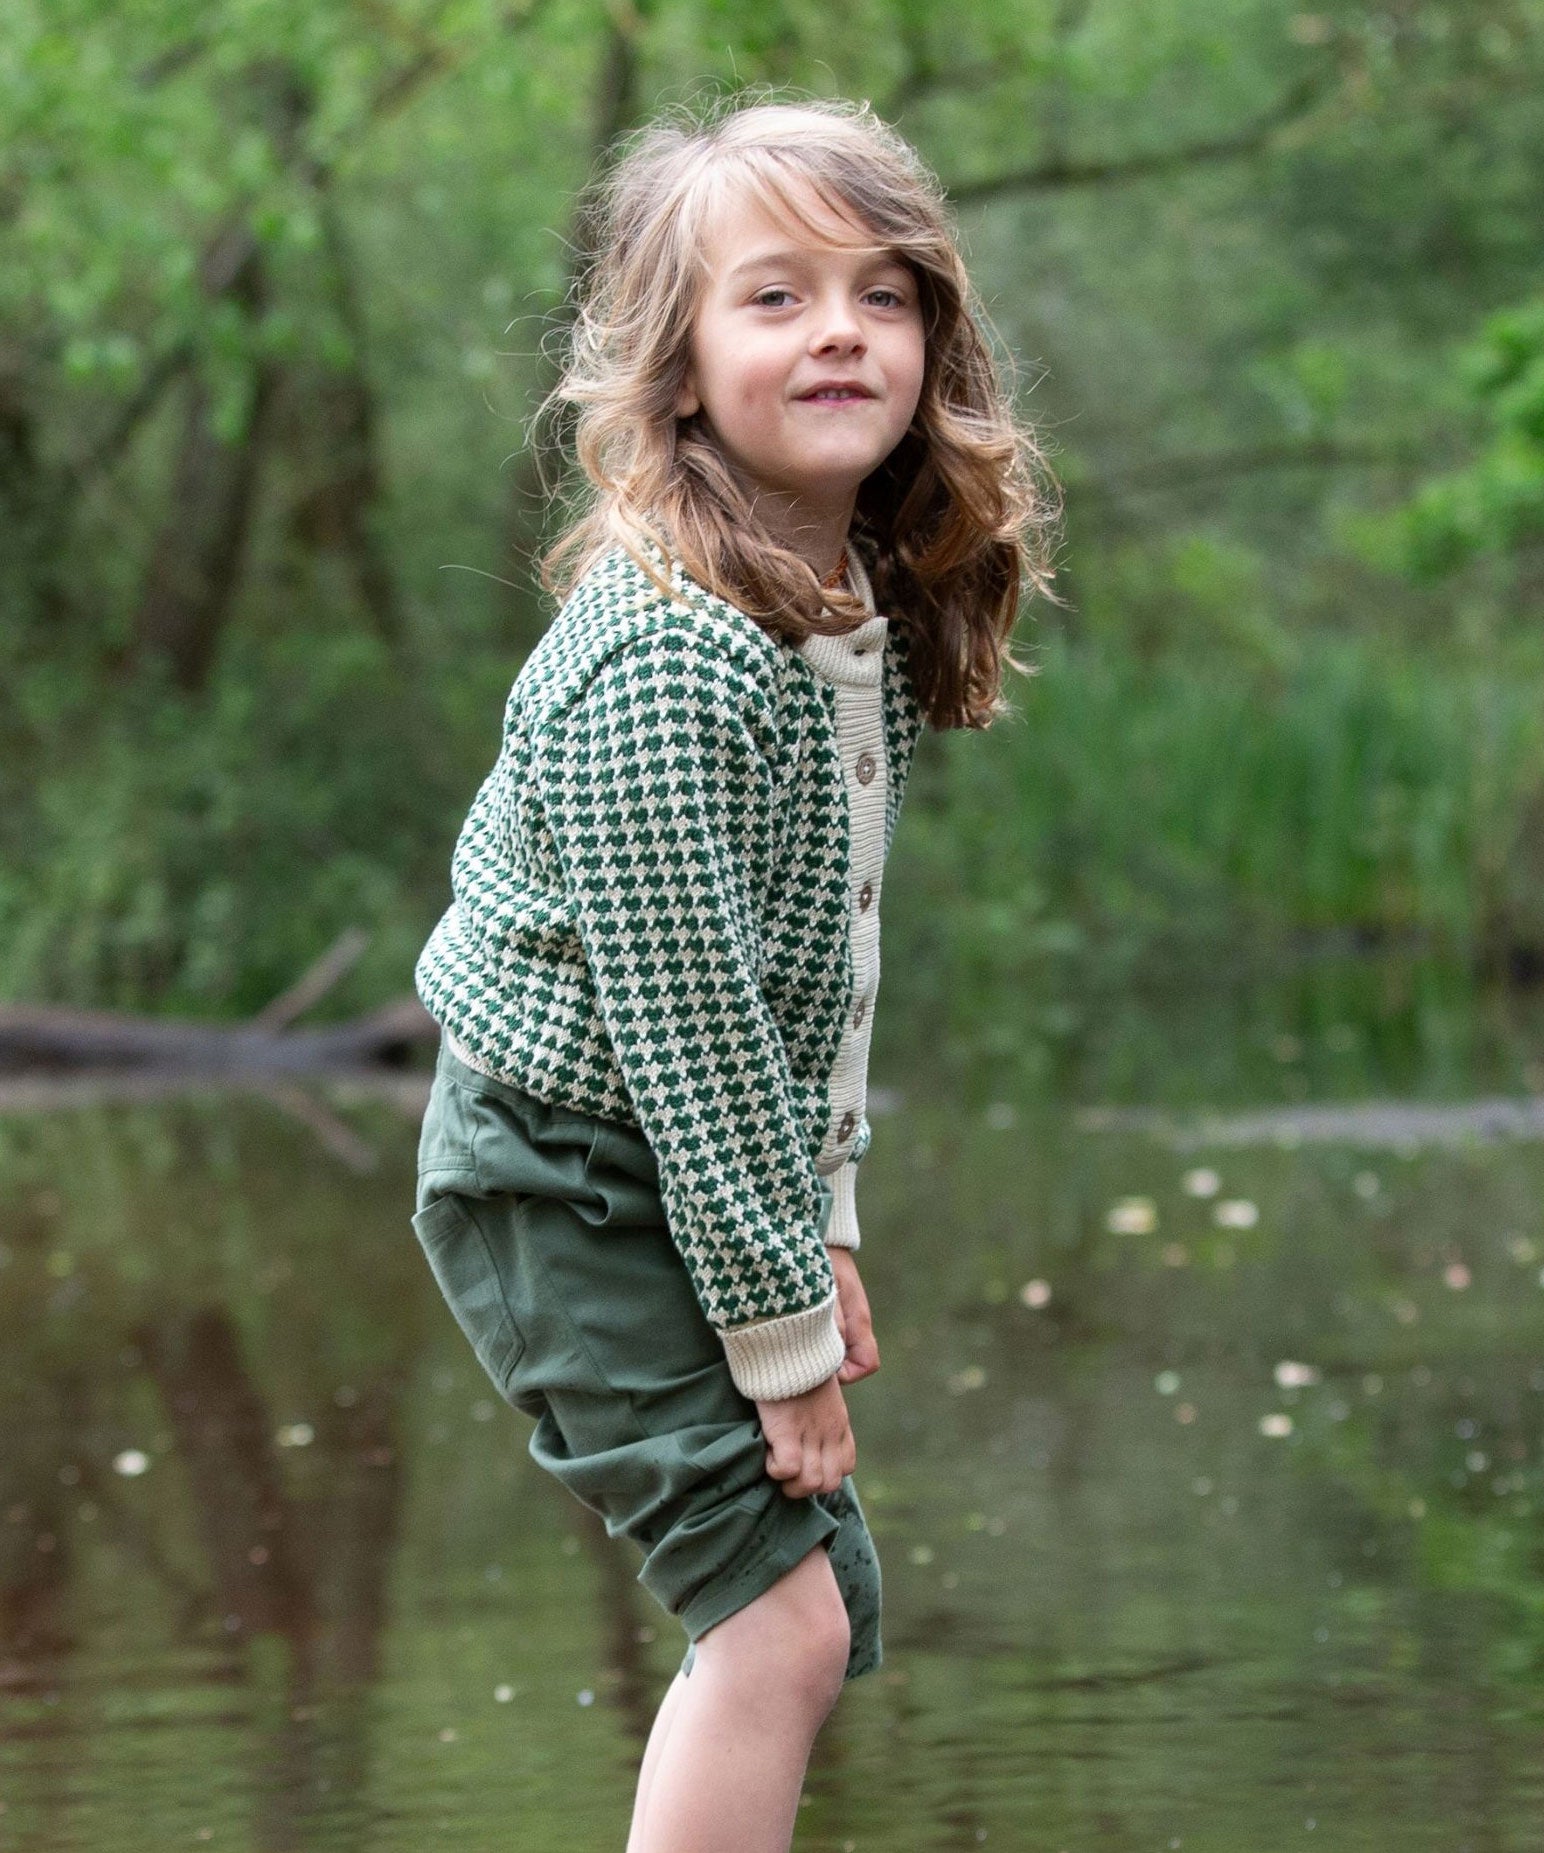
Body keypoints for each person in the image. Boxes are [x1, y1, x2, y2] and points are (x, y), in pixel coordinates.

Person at [409, 90, 1058, 1853]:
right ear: (679, 364)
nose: (842, 328)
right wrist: (779, 1345)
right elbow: (688, 1030)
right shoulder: (670, 659)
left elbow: (815, 979)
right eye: (774, 295)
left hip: (689, 1154)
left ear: (936, 334)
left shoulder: (833, 600)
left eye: (884, 292)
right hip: (566, 1171)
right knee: (776, 1625)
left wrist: (822, 1226)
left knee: (815, 1607)